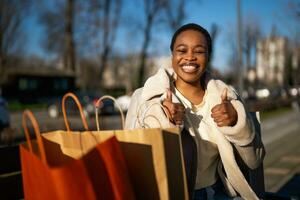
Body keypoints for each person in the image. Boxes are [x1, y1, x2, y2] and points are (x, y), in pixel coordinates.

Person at [125, 23, 265, 200]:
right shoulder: (146, 97)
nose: (189, 57)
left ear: (208, 56)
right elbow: (135, 159)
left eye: (199, 51)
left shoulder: (227, 97)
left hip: (218, 192)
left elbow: (255, 160)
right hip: (168, 194)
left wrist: (236, 122)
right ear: (172, 55)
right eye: (182, 50)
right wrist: (167, 124)